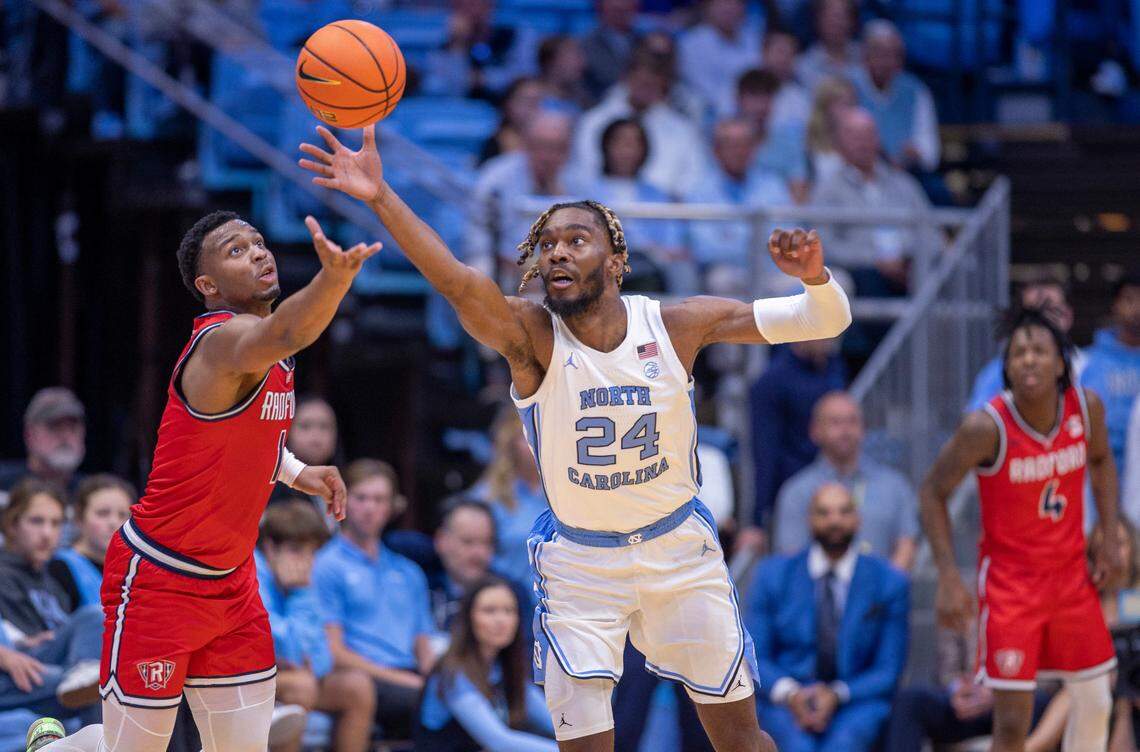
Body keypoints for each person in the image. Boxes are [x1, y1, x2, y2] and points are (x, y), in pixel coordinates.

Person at [299, 118, 853, 751]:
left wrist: (814, 276)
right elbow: (454, 278)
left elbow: (824, 319)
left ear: (616, 262)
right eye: (548, 242)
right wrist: (380, 197)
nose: (556, 252)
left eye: (576, 240)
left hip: (678, 550)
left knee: (742, 741)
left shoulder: (676, 325)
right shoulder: (529, 337)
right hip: (582, 564)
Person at [29, 208, 360, 751]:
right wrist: (335, 279)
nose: (257, 251)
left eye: (257, 241)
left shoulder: (269, 353)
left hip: (232, 583)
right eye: (236, 250)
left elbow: (238, 442)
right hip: (160, 578)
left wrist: (297, 471)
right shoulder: (223, 343)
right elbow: (290, 329)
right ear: (207, 285)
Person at [921, 307, 1121, 752]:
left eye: (1039, 350)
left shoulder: (1086, 409)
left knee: (1095, 699)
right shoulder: (984, 427)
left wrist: (1109, 535)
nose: (1028, 359)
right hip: (1012, 586)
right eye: (1018, 353)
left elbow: (1103, 460)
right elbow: (932, 492)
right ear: (1006, 368)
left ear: (1061, 362)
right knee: (1012, 724)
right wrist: (949, 576)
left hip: (1072, 577)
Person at [747, 482, 909, 752]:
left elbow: (888, 670)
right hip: (786, 699)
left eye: (844, 512)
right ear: (809, 519)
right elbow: (756, 657)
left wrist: (836, 694)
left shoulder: (889, 582)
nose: (835, 520)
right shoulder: (772, 576)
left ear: (858, 519)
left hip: (855, 700)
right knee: (798, 746)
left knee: (843, 745)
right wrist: (792, 693)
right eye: (824, 512)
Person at [312, 458, 436, 740]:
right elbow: (334, 652)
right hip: (363, 677)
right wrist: (407, 682)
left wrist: (438, 681)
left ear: (392, 507)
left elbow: (423, 646)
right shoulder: (327, 565)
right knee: (434, 708)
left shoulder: (409, 571)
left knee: (469, 699)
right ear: (341, 500)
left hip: (409, 676)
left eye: (379, 499)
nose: (370, 508)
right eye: (361, 498)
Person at [257, 501, 375, 752]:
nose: (306, 562)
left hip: (285, 675)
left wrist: (301, 593)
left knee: (357, 687)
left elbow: (322, 660)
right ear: (269, 548)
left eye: (312, 553)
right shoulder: (254, 575)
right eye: (296, 550)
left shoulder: (303, 584)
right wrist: (300, 595)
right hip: (245, 679)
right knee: (302, 686)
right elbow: (282, 651)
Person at [772, 391, 918, 569]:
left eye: (852, 421)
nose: (845, 430)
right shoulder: (796, 491)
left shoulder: (894, 486)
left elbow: (907, 545)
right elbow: (790, 558)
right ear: (815, 431)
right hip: (819, 594)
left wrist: (886, 591)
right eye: (835, 422)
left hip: (882, 595)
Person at [0, 480, 103, 719]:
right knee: (101, 687)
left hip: (47, 665)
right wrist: (10, 651)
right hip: (15, 672)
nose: (47, 534)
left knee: (94, 615)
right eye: (36, 521)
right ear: (12, 525)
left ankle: (84, 675)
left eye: (55, 523)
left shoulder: (52, 581)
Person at [810, 107, 940, 295]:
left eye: (868, 135)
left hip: (909, 270)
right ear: (839, 145)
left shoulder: (903, 184)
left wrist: (907, 258)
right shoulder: (827, 190)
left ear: (878, 139)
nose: (863, 143)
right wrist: (875, 261)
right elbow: (825, 245)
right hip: (862, 273)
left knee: (931, 275)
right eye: (854, 136)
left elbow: (931, 233)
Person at [416, 577, 556, 751]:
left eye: (509, 611)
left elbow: (556, 723)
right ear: (468, 618)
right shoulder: (452, 674)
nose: (501, 620)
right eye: (489, 611)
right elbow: (500, 742)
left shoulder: (505, 671)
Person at [738, 337, 846, 554]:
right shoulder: (771, 382)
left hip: (837, 486)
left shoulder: (835, 367)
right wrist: (756, 521)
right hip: (792, 498)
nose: (827, 337)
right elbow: (764, 454)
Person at [572, 53, 709, 198]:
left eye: (653, 84)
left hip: (664, 211)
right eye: (642, 83)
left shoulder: (682, 129)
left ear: (664, 85)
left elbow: (693, 176)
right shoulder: (593, 121)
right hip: (600, 204)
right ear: (626, 79)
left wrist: (661, 199)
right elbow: (584, 170)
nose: (646, 90)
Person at [683, 118, 791, 295]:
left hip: (773, 272)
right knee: (721, 281)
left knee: (834, 280)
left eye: (745, 144)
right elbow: (705, 250)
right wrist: (757, 240)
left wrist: (732, 237)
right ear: (716, 151)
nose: (739, 151)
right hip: (729, 272)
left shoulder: (774, 185)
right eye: (731, 145)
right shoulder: (698, 191)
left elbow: (787, 237)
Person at [469, 112, 585, 274]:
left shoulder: (578, 178)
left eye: (558, 148)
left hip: (561, 261)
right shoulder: (497, 177)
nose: (548, 156)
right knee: (481, 268)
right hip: (505, 260)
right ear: (526, 145)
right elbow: (481, 235)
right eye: (542, 146)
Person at [584, 117, 689, 292]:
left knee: (681, 270)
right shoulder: (588, 192)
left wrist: (664, 250)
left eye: (634, 143)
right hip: (608, 264)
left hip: (656, 265)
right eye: (620, 142)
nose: (627, 150)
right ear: (606, 146)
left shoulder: (657, 194)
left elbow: (673, 238)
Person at [967, 277, 1084, 412]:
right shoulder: (996, 373)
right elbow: (975, 421)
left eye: (1051, 310)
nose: (1041, 320)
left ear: (1067, 315)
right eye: (1031, 313)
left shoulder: (1091, 366)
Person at [429, 497, 532, 644]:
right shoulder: (419, 582)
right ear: (441, 540)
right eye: (468, 542)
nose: (479, 553)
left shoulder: (513, 593)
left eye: (487, 542)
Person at [469, 405, 549, 581]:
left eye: (546, 432)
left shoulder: (567, 493)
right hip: (509, 603)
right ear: (510, 442)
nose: (539, 443)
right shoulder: (487, 497)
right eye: (528, 435)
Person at [852, 20, 940, 173]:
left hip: (907, 171)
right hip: (858, 170)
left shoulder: (916, 90)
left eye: (894, 55)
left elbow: (929, 150)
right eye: (880, 53)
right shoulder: (848, 87)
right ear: (865, 56)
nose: (887, 61)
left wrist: (915, 153)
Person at [1081, 274, 1140, 480]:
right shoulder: (1086, 362)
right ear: (1115, 305)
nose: (1137, 309)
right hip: (1098, 481)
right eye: (1130, 299)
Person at [422, 0, 539, 100]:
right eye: (462, 5)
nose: (471, 11)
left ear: (491, 5)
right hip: (463, 112)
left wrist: (486, 79)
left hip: (507, 107)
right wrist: (458, 45)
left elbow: (525, 76)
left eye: (476, 3)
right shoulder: (445, 46)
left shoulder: (516, 36)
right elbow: (451, 89)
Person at [48, 475, 134, 608]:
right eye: (102, 513)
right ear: (79, 518)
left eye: (122, 515)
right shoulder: (59, 567)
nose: (113, 523)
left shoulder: (137, 569)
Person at [676, 0, 761, 118]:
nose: (729, 8)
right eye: (722, 3)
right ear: (707, 7)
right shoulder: (692, 43)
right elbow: (703, 90)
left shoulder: (753, 39)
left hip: (755, 109)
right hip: (710, 113)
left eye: (734, 3)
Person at [735, 68, 810, 201]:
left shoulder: (790, 144)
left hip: (779, 216)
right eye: (754, 96)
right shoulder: (726, 140)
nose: (761, 106)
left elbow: (799, 196)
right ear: (739, 100)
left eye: (767, 97)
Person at [0, 387, 87, 493]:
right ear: (29, 435)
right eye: (55, 427)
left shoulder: (89, 492)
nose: (65, 436)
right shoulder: (4, 487)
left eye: (72, 428)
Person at [579, 0, 641, 100]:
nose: (622, 13)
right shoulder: (586, 45)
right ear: (601, 9)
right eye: (616, 10)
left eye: (627, 9)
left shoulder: (643, 41)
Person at [795, 0, 861, 92]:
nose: (837, 23)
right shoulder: (803, 65)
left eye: (842, 16)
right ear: (818, 21)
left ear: (852, 21)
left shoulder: (865, 56)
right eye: (831, 17)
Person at [478, 77, 544, 166]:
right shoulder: (495, 144)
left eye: (538, 101)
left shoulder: (554, 144)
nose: (533, 108)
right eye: (527, 101)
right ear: (508, 104)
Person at [805, 77, 857, 185]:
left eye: (851, 104)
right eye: (842, 104)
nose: (848, 110)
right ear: (824, 107)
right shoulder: (808, 144)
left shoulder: (863, 140)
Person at [763, 29, 812, 129]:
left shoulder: (802, 94)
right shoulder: (747, 88)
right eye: (779, 51)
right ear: (764, 53)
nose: (783, 58)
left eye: (790, 53)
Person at [536, 36, 592, 114]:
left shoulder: (583, 98)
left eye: (579, 56)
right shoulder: (533, 98)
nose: (581, 63)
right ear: (550, 62)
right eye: (572, 57)